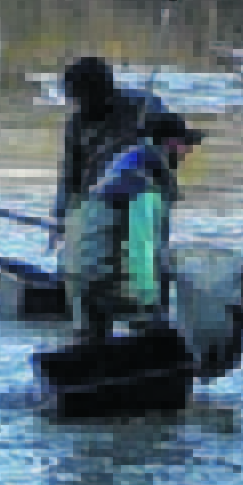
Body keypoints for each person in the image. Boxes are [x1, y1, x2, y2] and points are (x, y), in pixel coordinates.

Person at [61, 110, 205, 343]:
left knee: (89, 342)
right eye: (185, 144)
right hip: (101, 277)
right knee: (156, 322)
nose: (188, 152)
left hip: (74, 273)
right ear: (169, 143)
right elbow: (143, 247)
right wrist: (150, 306)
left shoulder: (121, 167)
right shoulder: (145, 183)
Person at [52, 55, 172, 235]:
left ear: (97, 94)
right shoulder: (76, 125)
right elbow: (70, 176)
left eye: (77, 97)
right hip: (98, 204)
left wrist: (149, 134)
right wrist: (60, 218)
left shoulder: (143, 106)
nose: (74, 104)